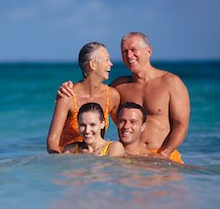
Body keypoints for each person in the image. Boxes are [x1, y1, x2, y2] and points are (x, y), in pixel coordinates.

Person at [58, 32, 190, 162]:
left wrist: (165, 154)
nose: (129, 55)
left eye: (133, 50)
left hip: (162, 155)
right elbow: (92, 102)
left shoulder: (170, 82)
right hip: (128, 158)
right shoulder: (119, 87)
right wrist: (68, 90)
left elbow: (181, 124)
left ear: (148, 51)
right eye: (124, 52)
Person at [46, 42, 121, 154]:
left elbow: (124, 130)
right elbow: (52, 141)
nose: (110, 64)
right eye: (106, 60)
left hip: (97, 161)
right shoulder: (68, 96)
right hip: (70, 159)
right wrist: (63, 163)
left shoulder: (112, 96)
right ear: (93, 65)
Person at [117, 102, 183, 164]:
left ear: (143, 126)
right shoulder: (108, 150)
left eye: (133, 122)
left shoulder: (154, 159)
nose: (126, 126)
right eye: (122, 121)